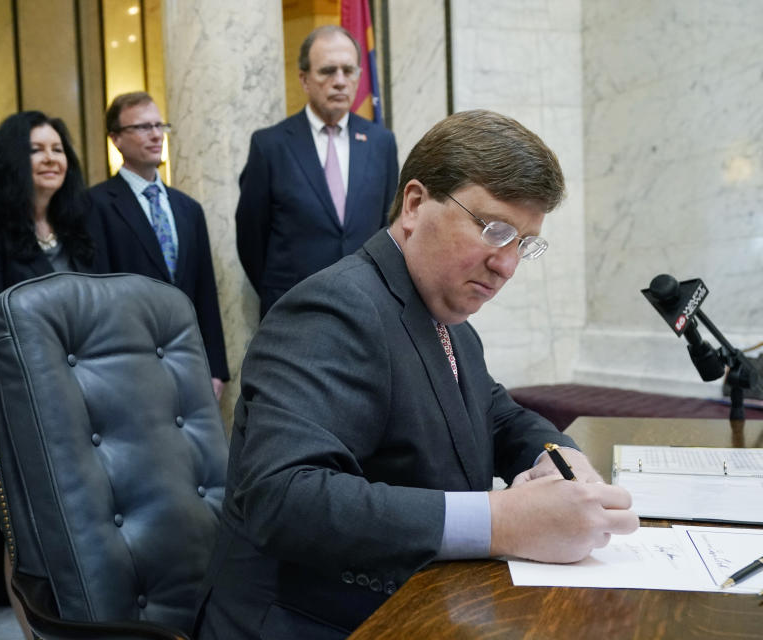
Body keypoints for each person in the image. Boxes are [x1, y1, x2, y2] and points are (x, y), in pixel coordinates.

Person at [195, 110, 640, 640]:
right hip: (311, 622)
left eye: (522, 242)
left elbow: (496, 414)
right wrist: (503, 521)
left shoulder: (446, 316)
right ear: (413, 205)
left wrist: (556, 457)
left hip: (424, 603)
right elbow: (285, 498)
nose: (507, 265)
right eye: (493, 229)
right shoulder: (333, 308)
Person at [235, 25, 399, 318]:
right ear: (304, 79)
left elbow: (388, 226)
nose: (340, 81)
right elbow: (251, 237)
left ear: (359, 76)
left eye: (349, 71)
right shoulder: (269, 145)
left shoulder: (381, 142)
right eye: (327, 71)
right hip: (292, 308)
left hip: (367, 308)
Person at [89, 92, 229, 397]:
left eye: (159, 125)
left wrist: (216, 368)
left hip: (187, 359)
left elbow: (205, 290)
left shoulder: (188, 208)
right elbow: (99, 290)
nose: (155, 135)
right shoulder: (95, 205)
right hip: (128, 361)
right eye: (142, 127)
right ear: (116, 139)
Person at [0, 110, 103, 335]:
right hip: (29, 363)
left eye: (57, 149)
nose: (50, 158)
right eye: (36, 150)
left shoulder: (81, 223)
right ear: (10, 160)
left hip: (94, 358)